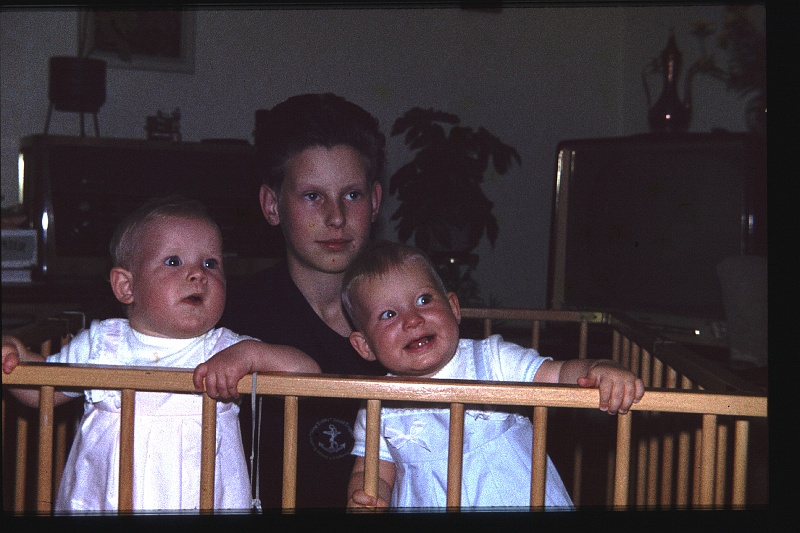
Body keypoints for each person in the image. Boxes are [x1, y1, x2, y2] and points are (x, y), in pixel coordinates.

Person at [1, 196, 320, 511]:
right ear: (126, 286)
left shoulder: (224, 350)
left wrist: (252, 354)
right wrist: (17, 357)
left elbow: (309, 376)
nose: (198, 274)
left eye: (210, 263)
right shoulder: (103, 344)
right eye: (173, 262)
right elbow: (40, 391)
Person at [341, 240, 646, 509]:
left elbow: (558, 374)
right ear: (364, 345)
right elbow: (372, 471)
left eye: (424, 300)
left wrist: (597, 368)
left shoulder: (492, 360)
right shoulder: (378, 402)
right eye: (388, 315)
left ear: (453, 307)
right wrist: (366, 497)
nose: (412, 320)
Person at [214, 93, 388, 508]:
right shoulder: (229, 317)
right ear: (272, 205)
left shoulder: (414, 319)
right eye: (313, 196)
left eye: (352, 195)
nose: (336, 217)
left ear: (375, 202)